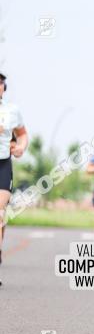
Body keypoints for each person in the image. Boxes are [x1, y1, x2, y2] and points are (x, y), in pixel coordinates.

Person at [0, 72, 29, 287]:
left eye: (1, 83)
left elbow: (22, 133)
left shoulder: (12, 111)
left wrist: (20, 147)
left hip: (3, 164)